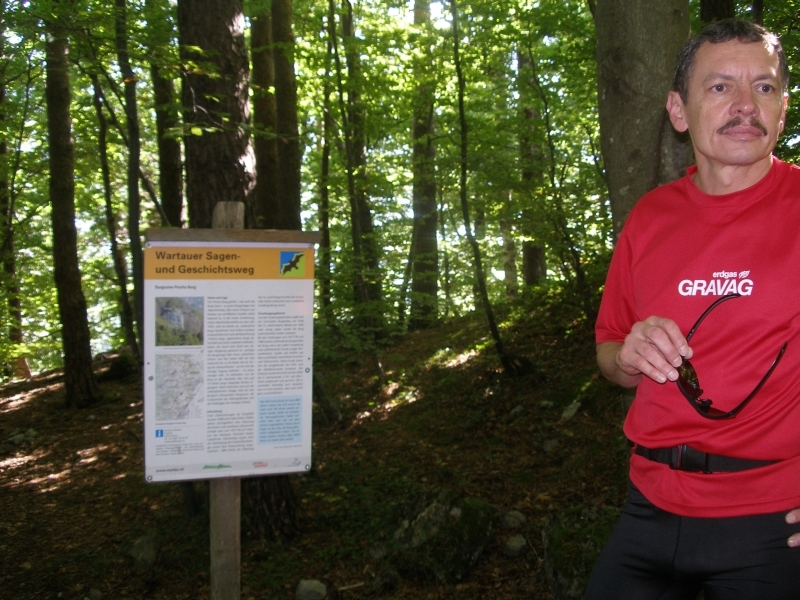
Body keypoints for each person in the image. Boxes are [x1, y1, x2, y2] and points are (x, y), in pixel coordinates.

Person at [586, 18, 800, 600]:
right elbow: (609, 354)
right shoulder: (651, 217)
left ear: (782, 108)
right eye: (720, 86)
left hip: (768, 524)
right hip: (647, 509)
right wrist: (628, 356)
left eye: (764, 87)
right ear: (678, 111)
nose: (745, 105)